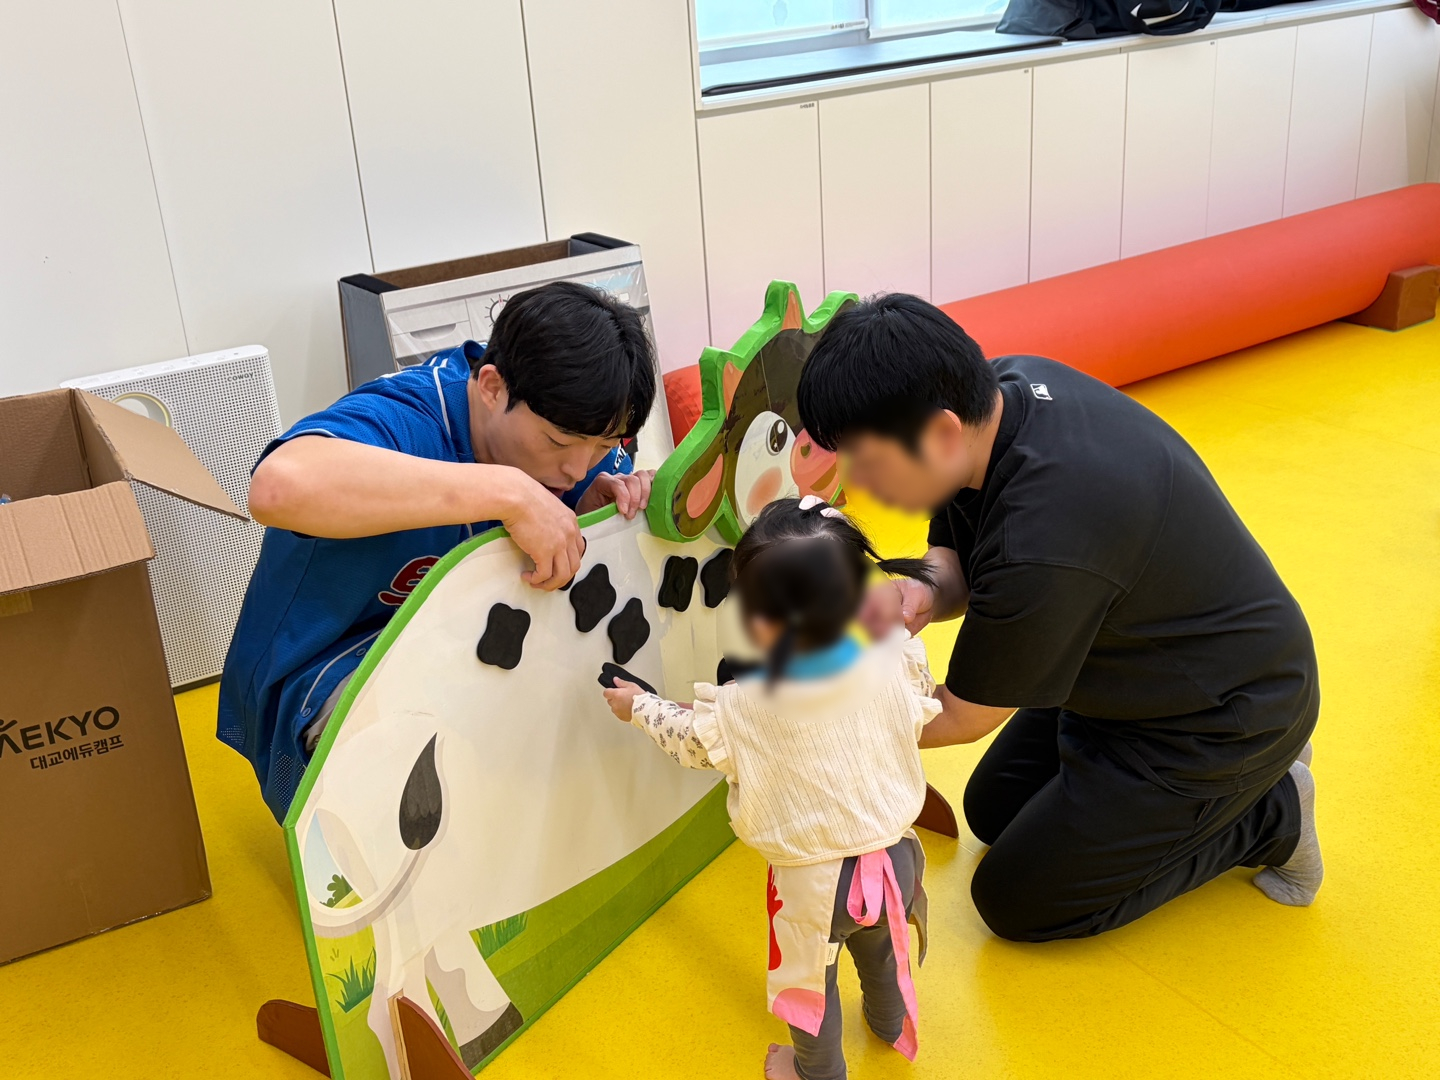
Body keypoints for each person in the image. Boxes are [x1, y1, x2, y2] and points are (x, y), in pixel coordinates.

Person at [796, 293, 1323, 943]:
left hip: (1219, 717)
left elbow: (962, 716)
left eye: (868, 461)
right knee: (993, 811)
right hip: (1124, 668)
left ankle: (1272, 812)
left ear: (941, 433)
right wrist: (923, 590)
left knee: (1017, 902)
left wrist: (814, 722)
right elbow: (959, 556)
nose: (861, 483)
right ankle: (1220, 790)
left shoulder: (1043, 538)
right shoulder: (1002, 392)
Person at [220, 281, 657, 821]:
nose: (577, 466)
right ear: (491, 387)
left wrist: (594, 509)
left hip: (467, 640)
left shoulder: (575, 428)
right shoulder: (410, 416)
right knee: (428, 773)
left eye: (605, 446)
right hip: (335, 661)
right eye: (558, 443)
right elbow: (277, 487)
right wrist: (509, 492)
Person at [602, 496, 940, 1080]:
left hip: (815, 885)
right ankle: (888, 1023)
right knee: (883, 951)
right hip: (895, 861)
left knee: (808, 986)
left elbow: (691, 741)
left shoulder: (744, 707)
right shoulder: (893, 659)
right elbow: (918, 694)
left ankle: (816, 1072)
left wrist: (639, 707)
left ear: (756, 620)